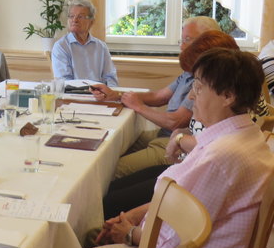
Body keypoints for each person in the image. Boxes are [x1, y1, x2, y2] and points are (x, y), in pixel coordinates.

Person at [87, 48, 274, 248]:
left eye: (198, 87)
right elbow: (185, 200)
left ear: (228, 96)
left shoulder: (221, 157)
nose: (192, 96)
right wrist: (134, 216)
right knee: (94, 232)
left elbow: (176, 242)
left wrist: (129, 233)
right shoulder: (246, 135)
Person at [99, 30, 240, 220]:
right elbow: (198, 136)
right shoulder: (224, 111)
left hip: (179, 170)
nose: (191, 96)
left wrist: (131, 228)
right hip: (179, 164)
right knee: (112, 169)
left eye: (188, 38)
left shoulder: (225, 127)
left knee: (109, 182)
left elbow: (187, 207)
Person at [91, 16, 220, 178]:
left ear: (206, 42)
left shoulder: (205, 78)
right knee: (109, 146)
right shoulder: (190, 71)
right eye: (182, 40)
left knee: (110, 170)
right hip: (167, 135)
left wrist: (139, 107)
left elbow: (175, 122)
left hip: (173, 142)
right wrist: (115, 95)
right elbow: (159, 96)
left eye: (187, 40)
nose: (182, 45)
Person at [51, 0, 118, 86]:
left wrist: (108, 93)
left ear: (91, 22)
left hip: (100, 95)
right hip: (73, 95)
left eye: (80, 16)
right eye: (71, 16)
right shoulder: (61, 46)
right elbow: (64, 80)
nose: (74, 20)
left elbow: (110, 77)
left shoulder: (101, 46)